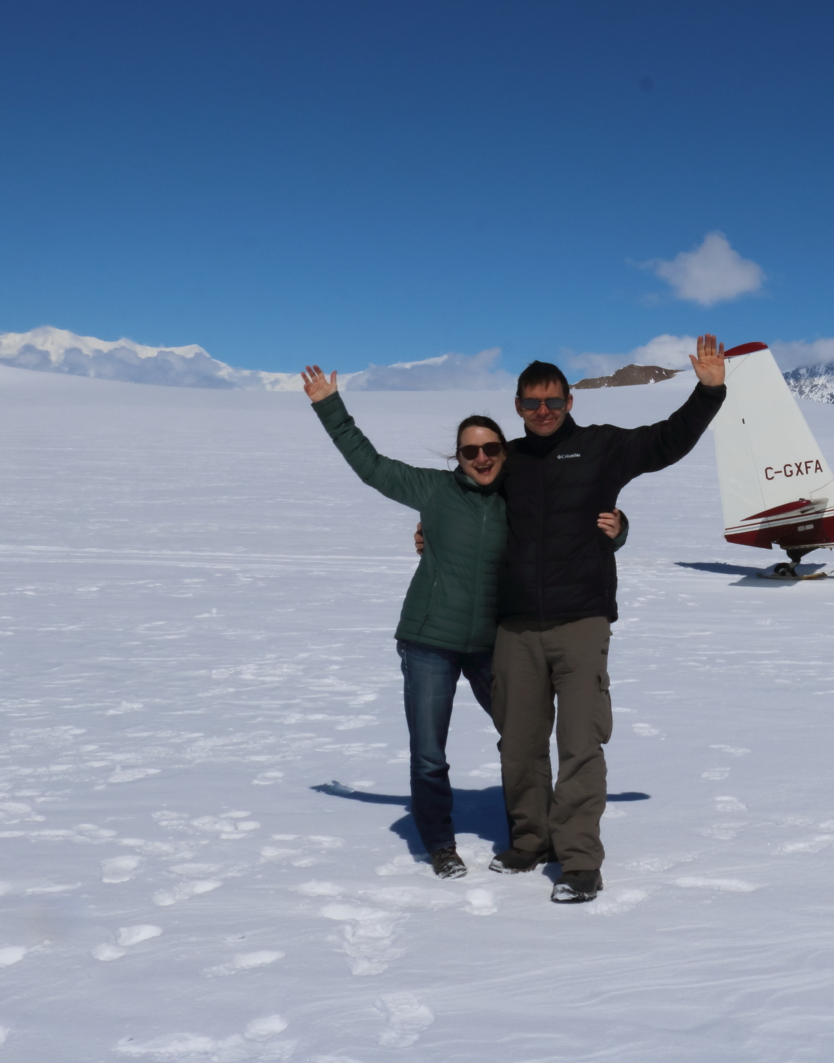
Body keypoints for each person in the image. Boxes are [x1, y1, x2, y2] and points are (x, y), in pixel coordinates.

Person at [300, 365, 627, 878]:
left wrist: (618, 529)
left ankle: (539, 835)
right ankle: (440, 844)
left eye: (491, 450)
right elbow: (370, 465)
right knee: (430, 753)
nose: (481, 458)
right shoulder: (432, 491)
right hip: (429, 640)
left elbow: (575, 524)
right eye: (470, 451)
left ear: (505, 453)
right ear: (458, 456)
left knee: (520, 739)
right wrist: (328, 405)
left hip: (492, 643)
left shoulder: (517, 497)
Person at [487, 333, 727, 903]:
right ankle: (529, 840)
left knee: (579, 743)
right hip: (515, 626)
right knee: (518, 745)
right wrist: (429, 533)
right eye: (530, 403)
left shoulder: (599, 448)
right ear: (517, 407)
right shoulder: (506, 462)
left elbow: (666, 441)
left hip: (581, 621)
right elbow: (461, 510)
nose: (542, 412)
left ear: (571, 403)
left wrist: (709, 392)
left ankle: (578, 861)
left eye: (552, 402)